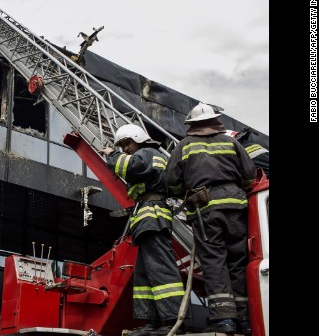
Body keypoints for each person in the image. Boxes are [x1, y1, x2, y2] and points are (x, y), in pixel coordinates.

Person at [165, 103, 257, 335]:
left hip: (205, 209)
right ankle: (245, 319)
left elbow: (172, 182)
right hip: (236, 207)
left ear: (193, 125)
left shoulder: (185, 146)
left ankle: (224, 319)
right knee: (238, 261)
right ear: (215, 121)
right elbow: (249, 176)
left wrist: (183, 192)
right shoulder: (232, 143)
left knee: (215, 261)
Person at [100, 124, 185, 336]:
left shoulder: (149, 153)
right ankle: (152, 322)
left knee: (160, 269)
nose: (125, 149)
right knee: (144, 274)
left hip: (153, 217)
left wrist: (112, 155)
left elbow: (132, 168)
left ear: (138, 137)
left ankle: (172, 320)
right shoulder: (146, 155)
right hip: (146, 220)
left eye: (127, 143)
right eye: (121, 146)